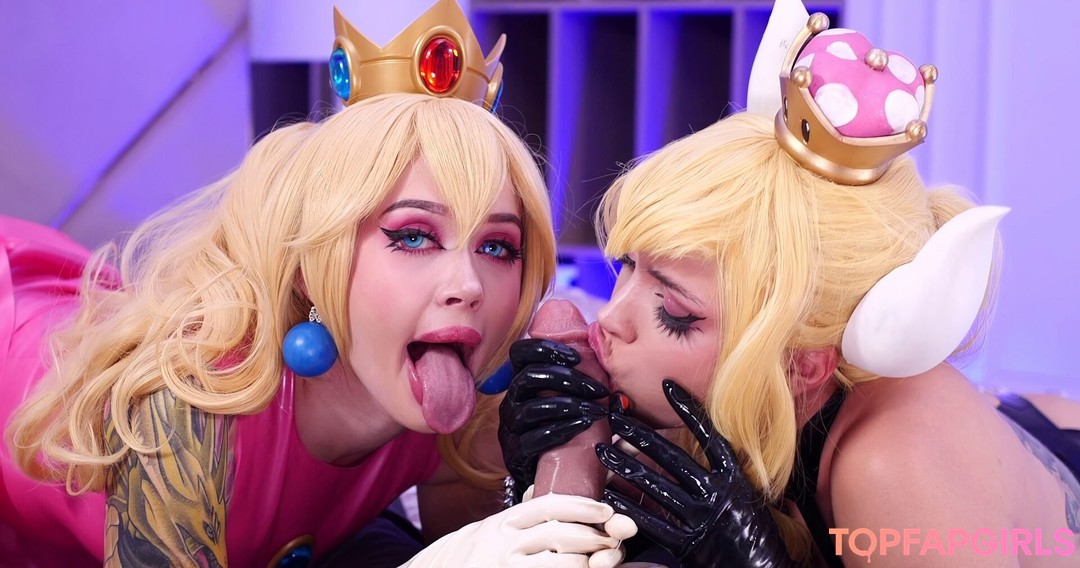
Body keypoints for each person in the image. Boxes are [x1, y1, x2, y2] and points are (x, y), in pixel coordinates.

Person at [1, 1, 632, 566]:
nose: (468, 284)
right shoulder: (183, 405)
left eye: (497, 246)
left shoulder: (463, 410)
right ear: (312, 259)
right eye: (414, 236)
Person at [498, 1, 1080, 566]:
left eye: (673, 314)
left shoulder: (893, 468)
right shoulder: (723, 396)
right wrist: (528, 483)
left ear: (803, 365)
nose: (609, 320)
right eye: (628, 266)